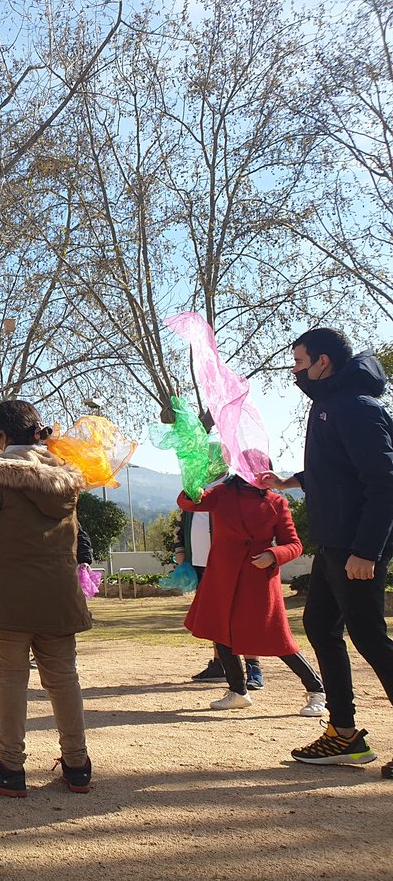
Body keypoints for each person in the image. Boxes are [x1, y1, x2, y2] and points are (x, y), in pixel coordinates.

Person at [262, 328, 393, 776]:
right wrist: (289, 481)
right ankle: (344, 734)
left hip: (356, 548)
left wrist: (367, 551)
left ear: (323, 362)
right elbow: (335, 469)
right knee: (320, 625)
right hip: (335, 543)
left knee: (370, 637)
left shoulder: (355, 407)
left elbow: (384, 484)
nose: (294, 370)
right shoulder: (330, 405)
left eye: (299, 362)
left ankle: (344, 732)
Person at [0, 400, 93, 797]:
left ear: (1, 436)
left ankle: (11, 767)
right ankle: (77, 764)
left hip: (5, 596)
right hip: (59, 595)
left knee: (10, 681)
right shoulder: (66, 479)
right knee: (64, 679)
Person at [177, 473, 326, 716]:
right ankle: (238, 692)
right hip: (222, 577)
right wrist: (192, 488)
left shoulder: (276, 502)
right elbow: (189, 503)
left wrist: (273, 555)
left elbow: (294, 544)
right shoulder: (222, 493)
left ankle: (317, 690)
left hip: (257, 579)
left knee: (277, 639)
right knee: (220, 632)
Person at [175, 475, 267, 688]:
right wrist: (180, 549)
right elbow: (181, 519)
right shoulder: (195, 484)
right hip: (201, 562)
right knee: (214, 617)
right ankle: (220, 664)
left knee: (243, 615)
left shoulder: (236, 484)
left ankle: (253, 666)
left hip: (231, 562)